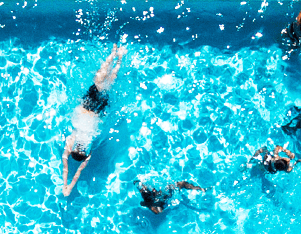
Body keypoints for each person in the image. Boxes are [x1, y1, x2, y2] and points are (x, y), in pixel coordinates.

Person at [57, 46, 127, 195]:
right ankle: (114, 54)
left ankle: (119, 58)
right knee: (99, 80)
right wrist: (66, 186)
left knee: (108, 84)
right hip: (87, 109)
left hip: (96, 114)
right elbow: (68, 168)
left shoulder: (85, 152)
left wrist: (68, 186)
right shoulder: (70, 144)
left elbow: (76, 171)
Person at [137, 180, 203, 214]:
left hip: (161, 198)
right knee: (174, 186)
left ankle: (197, 188)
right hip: (162, 198)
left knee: (173, 187)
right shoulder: (154, 202)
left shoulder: (150, 200)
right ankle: (197, 188)